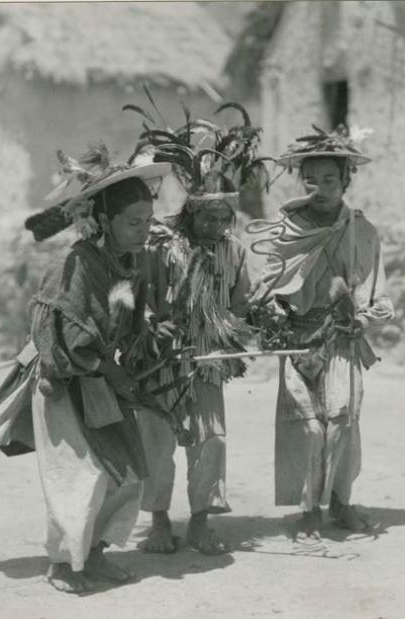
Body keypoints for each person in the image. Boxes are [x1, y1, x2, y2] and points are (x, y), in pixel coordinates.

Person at [0, 144, 172, 591]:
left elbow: (126, 322)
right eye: (134, 223)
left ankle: (93, 554)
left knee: (125, 469)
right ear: (103, 221)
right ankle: (62, 563)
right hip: (62, 380)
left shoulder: (127, 265)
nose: (143, 231)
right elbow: (63, 340)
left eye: (148, 222)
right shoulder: (72, 267)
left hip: (99, 380)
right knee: (79, 476)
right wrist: (108, 371)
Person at [126, 101, 264, 555]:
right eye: (208, 217)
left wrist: (243, 328)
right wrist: (148, 325)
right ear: (189, 212)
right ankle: (160, 521)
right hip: (159, 363)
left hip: (207, 364)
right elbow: (130, 295)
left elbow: (243, 303)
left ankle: (201, 520)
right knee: (158, 444)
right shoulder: (160, 246)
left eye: (225, 218)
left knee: (210, 441)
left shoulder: (235, 251)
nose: (218, 226)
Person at [252, 125, 394, 540]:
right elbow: (268, 286)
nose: (319, 187)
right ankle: (309, 508)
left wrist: (362, 320)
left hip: (342, 341)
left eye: (329, 178)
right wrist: (271, 318)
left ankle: (342, 501)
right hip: (298, 339)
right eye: (310, 179)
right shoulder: (286, 229)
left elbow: (378, 295)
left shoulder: (362, 231)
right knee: (308, 426)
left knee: (344, 419)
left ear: (346, 179)